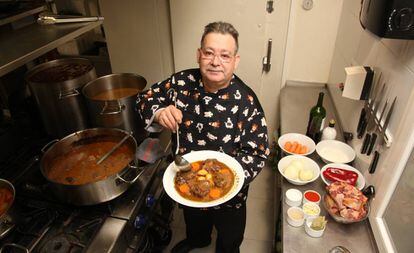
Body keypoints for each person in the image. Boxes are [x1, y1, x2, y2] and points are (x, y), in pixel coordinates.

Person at [136, 21, 269, 253]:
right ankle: (198, 240)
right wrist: (159, 112)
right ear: (199, 55)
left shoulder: (247, 101)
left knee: (230, 235)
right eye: (209, 53)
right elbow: (143, 99)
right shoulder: (179, 83)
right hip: (186, 174)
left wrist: (230, 181)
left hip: (231, 193)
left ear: (235, 61)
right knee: (195, 222)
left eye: (225, 56)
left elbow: (257, 153)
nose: (216, 62)